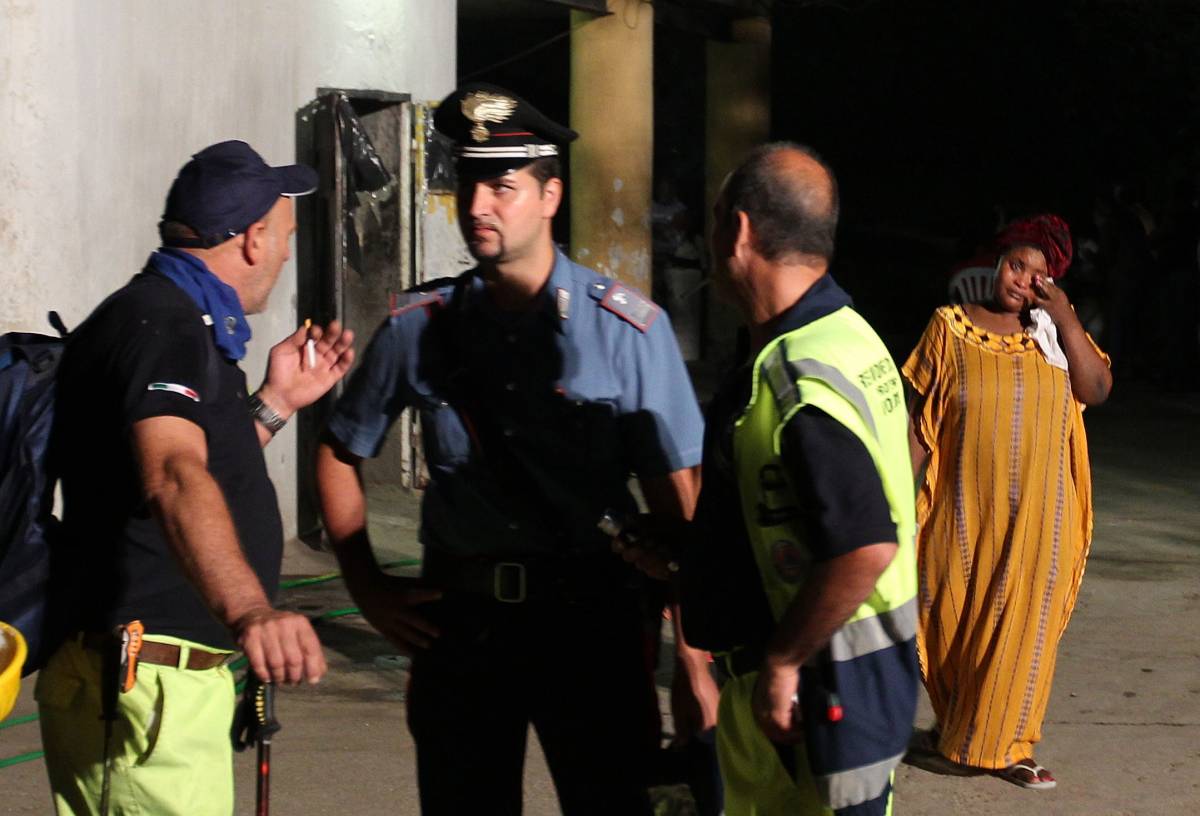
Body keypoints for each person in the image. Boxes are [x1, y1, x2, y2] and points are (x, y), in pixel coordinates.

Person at [314, 82, 716, 815]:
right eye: (469, 184)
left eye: (503, 186)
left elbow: (677, 512)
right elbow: (341, 450)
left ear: (551, 195)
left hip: (593, 625)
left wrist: (692, 660)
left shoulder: (626, 332)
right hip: (462, 624)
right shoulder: (417, 327)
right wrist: (368, 587)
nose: (478, 207)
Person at [37, 140, 355, 815]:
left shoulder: (164, 318)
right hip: (145, 687)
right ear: (252, 238)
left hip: (153, 683)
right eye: (286, 237)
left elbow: (184, 460)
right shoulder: (164, 327)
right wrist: (253, 612)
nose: (286, 254)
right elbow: (174, 475)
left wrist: (274, 404)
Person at [677, 142, 919, 815]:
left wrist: (783, 662)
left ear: (740, 229)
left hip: (814, 695)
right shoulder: (848, 335)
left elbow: (866, 544)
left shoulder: (797, 379)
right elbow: (906, 457)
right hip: (852, 680)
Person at [902, 214, 1112, 789]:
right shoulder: (949, 327)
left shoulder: (1054, 338)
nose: (1021, 280)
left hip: (1041, 522)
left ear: (1051, 284)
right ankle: (961, 734)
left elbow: (1095, 388)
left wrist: (1065, 316)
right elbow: (920, 427)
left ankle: (1007, 747)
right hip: (961, 514)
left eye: (1037, 275)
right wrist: (894, 502)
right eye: (1016, 264)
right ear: (997, 261)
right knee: (948, 620)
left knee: (1023, 631)